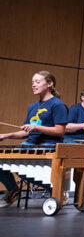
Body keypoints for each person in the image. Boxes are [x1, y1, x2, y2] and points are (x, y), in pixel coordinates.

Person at [0, 71, 68, 208]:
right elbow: (25, 133)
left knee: (26, 168)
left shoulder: (57, 105)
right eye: (32, 82)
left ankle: (57, 191)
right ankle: (13, 190)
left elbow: (60, 131)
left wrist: (37, 128)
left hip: (49, 144)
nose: (33, 85)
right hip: (30, 143)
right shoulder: (32, 106)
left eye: (37, 82)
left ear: (49, 84)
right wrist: (6, 135)